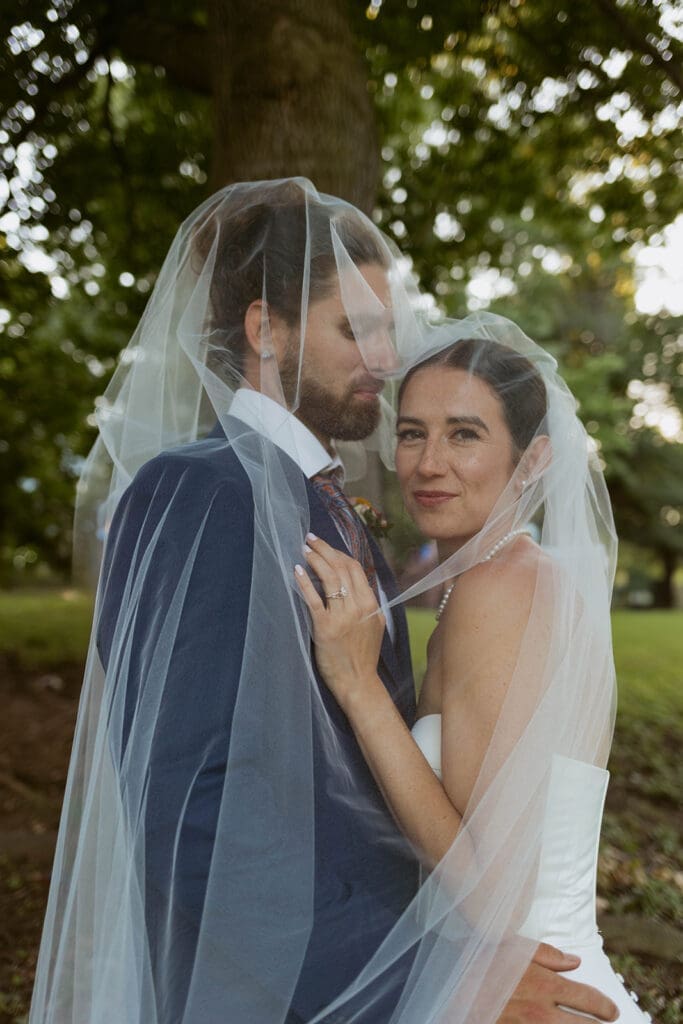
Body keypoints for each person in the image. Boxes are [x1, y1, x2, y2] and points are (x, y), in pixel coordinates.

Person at [30, 181, 618, 1024]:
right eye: (356, 330)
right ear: (266, 330)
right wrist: (423, 978)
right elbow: (190, 803)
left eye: (385, 330)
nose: (385, 358)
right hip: (289, 989)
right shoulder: (200, 492)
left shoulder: (331, 509)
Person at [297, 322, 652, 1022]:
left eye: (464, 434)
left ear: (533, 459)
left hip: (525, 987)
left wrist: (358, 685)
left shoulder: (502, 591)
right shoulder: (496, 582)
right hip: (506, 976)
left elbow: (493, 895)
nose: (429, 463)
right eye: (412, 434)